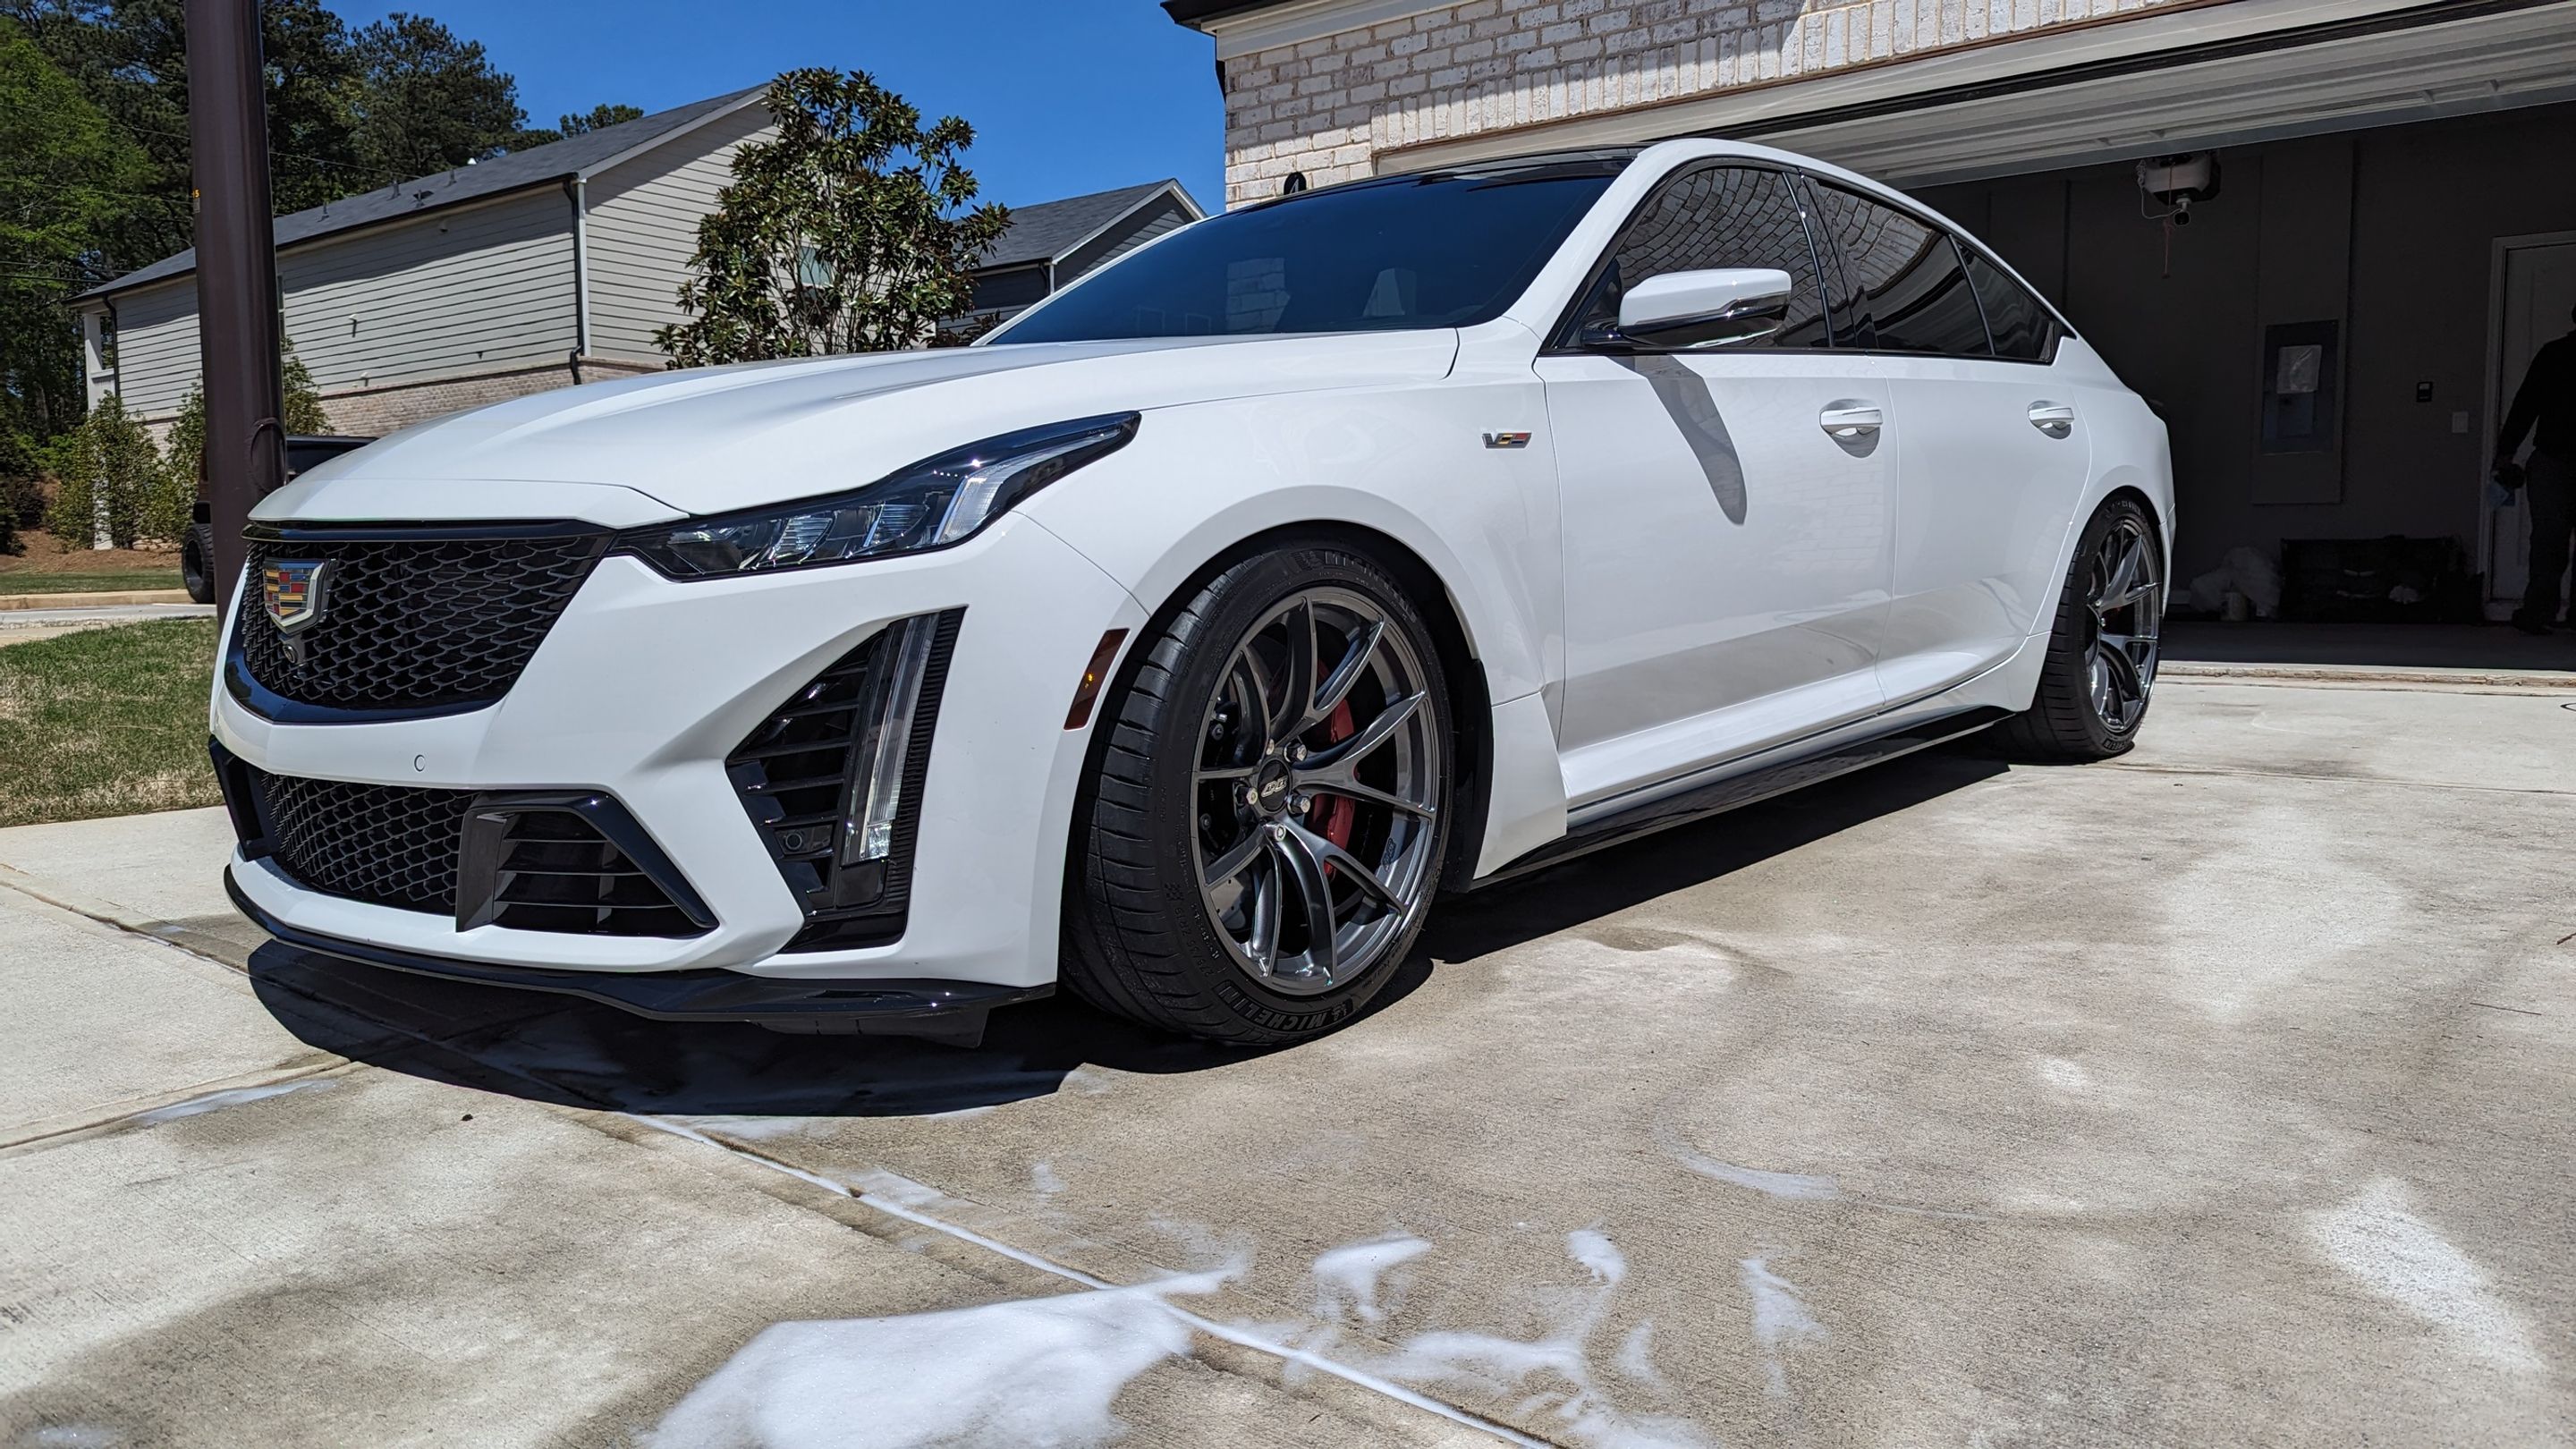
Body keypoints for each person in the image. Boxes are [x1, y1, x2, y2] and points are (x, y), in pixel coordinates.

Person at [2496, 304, 2576, 635]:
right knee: (2548, 540)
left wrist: (2505, 453)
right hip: (2553, 460)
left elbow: (2525, 404)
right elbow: (2526, 403)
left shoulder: (2554, 354)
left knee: (2547, 540)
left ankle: (2539, 612)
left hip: (2552, 458)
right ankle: (2551, 613)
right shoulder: (2554, 355)